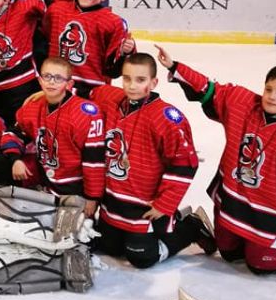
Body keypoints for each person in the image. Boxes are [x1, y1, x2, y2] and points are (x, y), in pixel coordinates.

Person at [156, 45, 276, 275]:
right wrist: (175, 67)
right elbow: (208, 89)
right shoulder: (243, 104)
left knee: (262, 266)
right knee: (229, 254)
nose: (272, 96)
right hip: (232, 201)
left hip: (268, 211)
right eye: (269, 89)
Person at [89, 53, 215, 268]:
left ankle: (191, 227)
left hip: (146, 205)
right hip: (114, 201)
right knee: (109, 247)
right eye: (126, 79)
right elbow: (86, 92)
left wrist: (164, 204)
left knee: (141, 256)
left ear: (154, 82)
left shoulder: (166, 117)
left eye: (140, 80)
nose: (131, 86)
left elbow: (186, 162)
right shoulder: (111, 99)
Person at [0, 57, 105, 218]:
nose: (52, 82)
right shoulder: (32, 107)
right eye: (47, 76)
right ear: (40, 80)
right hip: (46, 182)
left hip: (75, 188)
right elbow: (12, 134)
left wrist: (92, 197)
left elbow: (94, 160)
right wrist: (15, 160)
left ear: (69, 84)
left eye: (58, 78)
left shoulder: (85, 114)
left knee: (71, 235)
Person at [42, 0, 136, 98]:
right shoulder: (56, 10)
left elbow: (114, 70)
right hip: (54, 82)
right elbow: (44, 37)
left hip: (91, 88)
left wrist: (126, 52)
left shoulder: (114, 22)